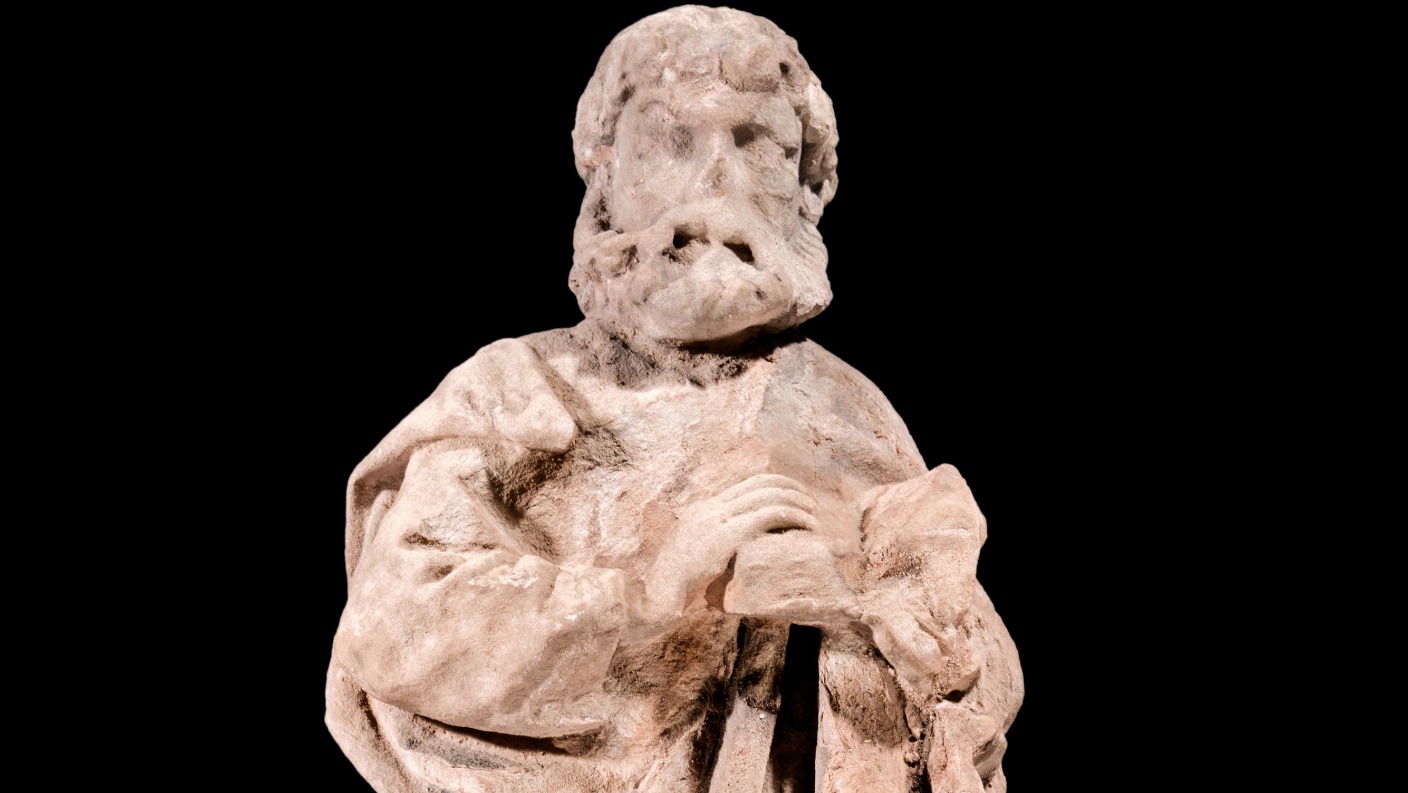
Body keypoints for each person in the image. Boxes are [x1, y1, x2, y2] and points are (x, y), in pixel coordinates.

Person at [327, 7, 1021, 792]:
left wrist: (896, 627)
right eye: (670, 141)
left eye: (757, 145)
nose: (716, 184)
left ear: (808, 188)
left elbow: (979, 679)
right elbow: (393, 625)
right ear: (606, 178)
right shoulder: (517, 391)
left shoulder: (844, 410)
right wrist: (656, 589)